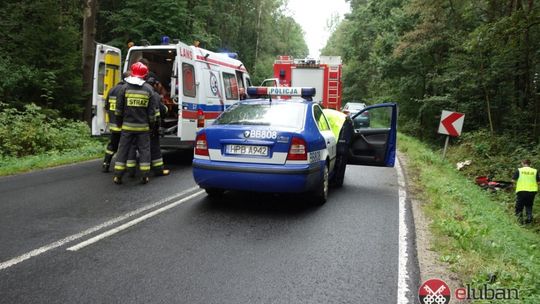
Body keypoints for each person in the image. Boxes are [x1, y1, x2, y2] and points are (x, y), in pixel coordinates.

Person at [113, 62, 159, 184]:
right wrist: (152, 126)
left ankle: (118, 176)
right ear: (145, 75)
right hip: (143, 128)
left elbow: (118, 110)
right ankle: (144, 175)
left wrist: (119, 123)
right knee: (144, 150)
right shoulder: (149, 90)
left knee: (123, 149)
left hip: (127, 127)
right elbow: (151, 113)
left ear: (132, 73)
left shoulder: (124, 88)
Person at [102, 72, 131, 172]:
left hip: (113, 124)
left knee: (112, 145)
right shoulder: (126, 90)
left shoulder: (112, 89)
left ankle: (106, 164)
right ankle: (124, 167)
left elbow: (106, 106)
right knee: (125, 146)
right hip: (124, 124)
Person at [322, 108, 354, 187]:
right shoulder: (322, 112)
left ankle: (337, 182)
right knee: (341, 152)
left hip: (344, 124)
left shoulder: (319, 116)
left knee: (341, 152)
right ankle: (337, 179)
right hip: (346, 122)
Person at [146, 77, 170, 176]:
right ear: (155, 85)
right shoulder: (154, 95)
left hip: (138, 126)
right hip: (152, 127)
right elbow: (162, 111)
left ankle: (136, 170)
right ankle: (158, 169)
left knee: (142, 148)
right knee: (155, 148)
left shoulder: (138, 91)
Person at [512, 159, 540, 224]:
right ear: (530, 164)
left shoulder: (519, 170)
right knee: (529, 205)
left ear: (522, 163)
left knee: (519, 206)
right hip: (532, 191)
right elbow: (538, 182)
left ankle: (520, 221)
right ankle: (529, 218)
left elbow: (513, 180)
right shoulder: (535, 171)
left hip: (521, 190)